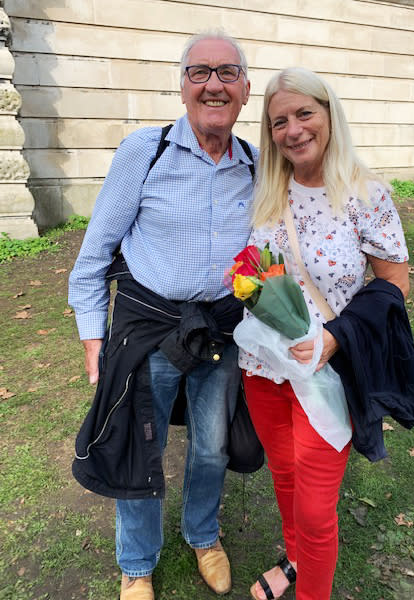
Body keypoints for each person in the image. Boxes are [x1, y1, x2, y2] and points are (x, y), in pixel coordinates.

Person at [68, 31, 256, 600]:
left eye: (227, 72)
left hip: (223, 329)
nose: (213, 84)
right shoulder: (142, 152)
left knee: (212, 444)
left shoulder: (254, 162)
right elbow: (96, 251)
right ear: (182, 87)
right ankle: (136, 564)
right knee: (137, 443)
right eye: (199, 72)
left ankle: (203, 534)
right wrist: (91, 332)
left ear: (245, 89)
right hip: (149, 327)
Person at [239, 67, 412, 600]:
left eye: (304, 114)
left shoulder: (366, 195)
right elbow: (255, 270)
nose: (292, 130)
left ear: (328, 113)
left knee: (316, 509)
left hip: (326, 374)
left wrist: (337, 337)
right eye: (278, 122)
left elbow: (393, 290)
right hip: (264, 370)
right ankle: (294, 561)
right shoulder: (267, 190)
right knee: (285, 480)